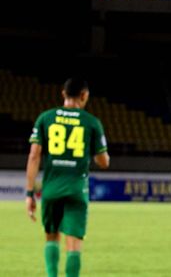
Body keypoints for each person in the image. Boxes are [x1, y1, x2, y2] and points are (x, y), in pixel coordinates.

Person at [25, 78, 110, 277]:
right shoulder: (91, 122)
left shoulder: (45, 118)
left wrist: (30, 193)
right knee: (74, 244)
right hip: (76, 189)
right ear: (84, 95)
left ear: (63, 94)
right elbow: (103, 161)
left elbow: (34, 156)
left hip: (51, 189)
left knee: (51, 237)